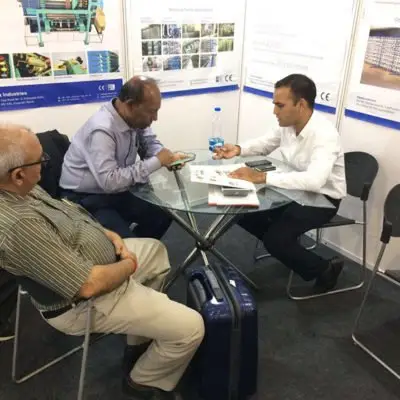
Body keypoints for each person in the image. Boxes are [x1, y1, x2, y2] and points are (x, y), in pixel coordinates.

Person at [0, 124, 204, 399]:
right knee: (192, 328)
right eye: (41, 160)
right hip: (82, 303)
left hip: (100, 262)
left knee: (155, 251)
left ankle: (138, 341)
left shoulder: (20, 188)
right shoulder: (19, 226)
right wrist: (128, 265)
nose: (45, 165)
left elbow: (71, 214)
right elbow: (89, 285)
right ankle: (142, 381)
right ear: (18, 174)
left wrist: (107, 235)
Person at [213, 74, 347, 292]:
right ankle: (288, 249)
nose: (275, 111)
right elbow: (266, 143)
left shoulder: (325, 135)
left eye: (280, 105)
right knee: (242, 212)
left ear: (300, 105)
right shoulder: (288, 124)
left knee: (276, 240)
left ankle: (325, 268)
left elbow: (314, 181)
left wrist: (262, 177)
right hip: (294, 189)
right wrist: (238, 149)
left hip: (323, 198)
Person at [60, 75, 185, 239]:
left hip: (116, 191)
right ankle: (126, 247)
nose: (155, 118)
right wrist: (158, 161)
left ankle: (139, 248)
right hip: (85, 197)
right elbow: (110, 182)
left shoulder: (134, 119)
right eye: (151, 111)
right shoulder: (102, 129)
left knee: (163, 214)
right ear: (130, 105)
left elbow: (149, 142)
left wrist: (167, 157)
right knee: (124, 244)